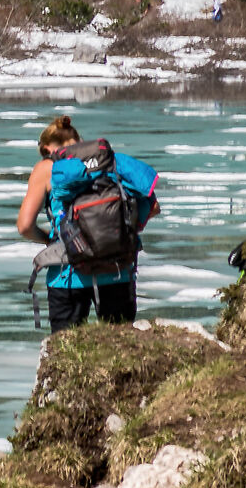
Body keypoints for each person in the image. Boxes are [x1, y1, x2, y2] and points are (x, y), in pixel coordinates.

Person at [17, 115, 159, 332]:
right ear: (79, 138)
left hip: (66, 272)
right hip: (118, 268)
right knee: (119, 347)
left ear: (47, 148)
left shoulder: (46, 168)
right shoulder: (111, 161)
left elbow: (24, 226)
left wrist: (49, 239)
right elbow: (153, 206)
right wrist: (123, 232)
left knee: (64, 354)